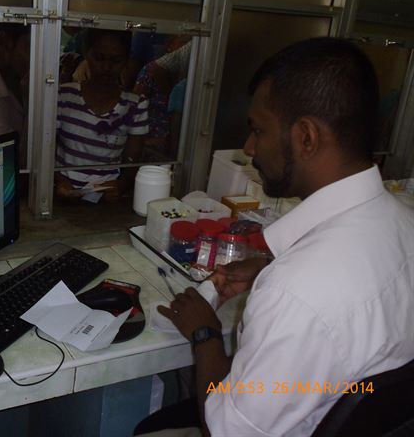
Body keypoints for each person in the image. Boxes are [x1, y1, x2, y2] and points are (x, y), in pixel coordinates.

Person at [134, 37, 414, 436]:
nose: (249, 148)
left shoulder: (295, 290)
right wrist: (270, 266)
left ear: (306, 137)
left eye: (258, 130)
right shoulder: (404, 222)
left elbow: (226, 432)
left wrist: (205, 332)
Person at [55, 29, 148, 202]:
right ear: (86, 55)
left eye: (116, 60)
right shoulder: (64, 96)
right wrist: (58, 181)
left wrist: (120, 185)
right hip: (62, 195)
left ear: (126, 60)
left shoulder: (135, 105)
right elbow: (45, 151)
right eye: (99, 58)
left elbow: (132, 162)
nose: (106, 68)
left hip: (106, 198)